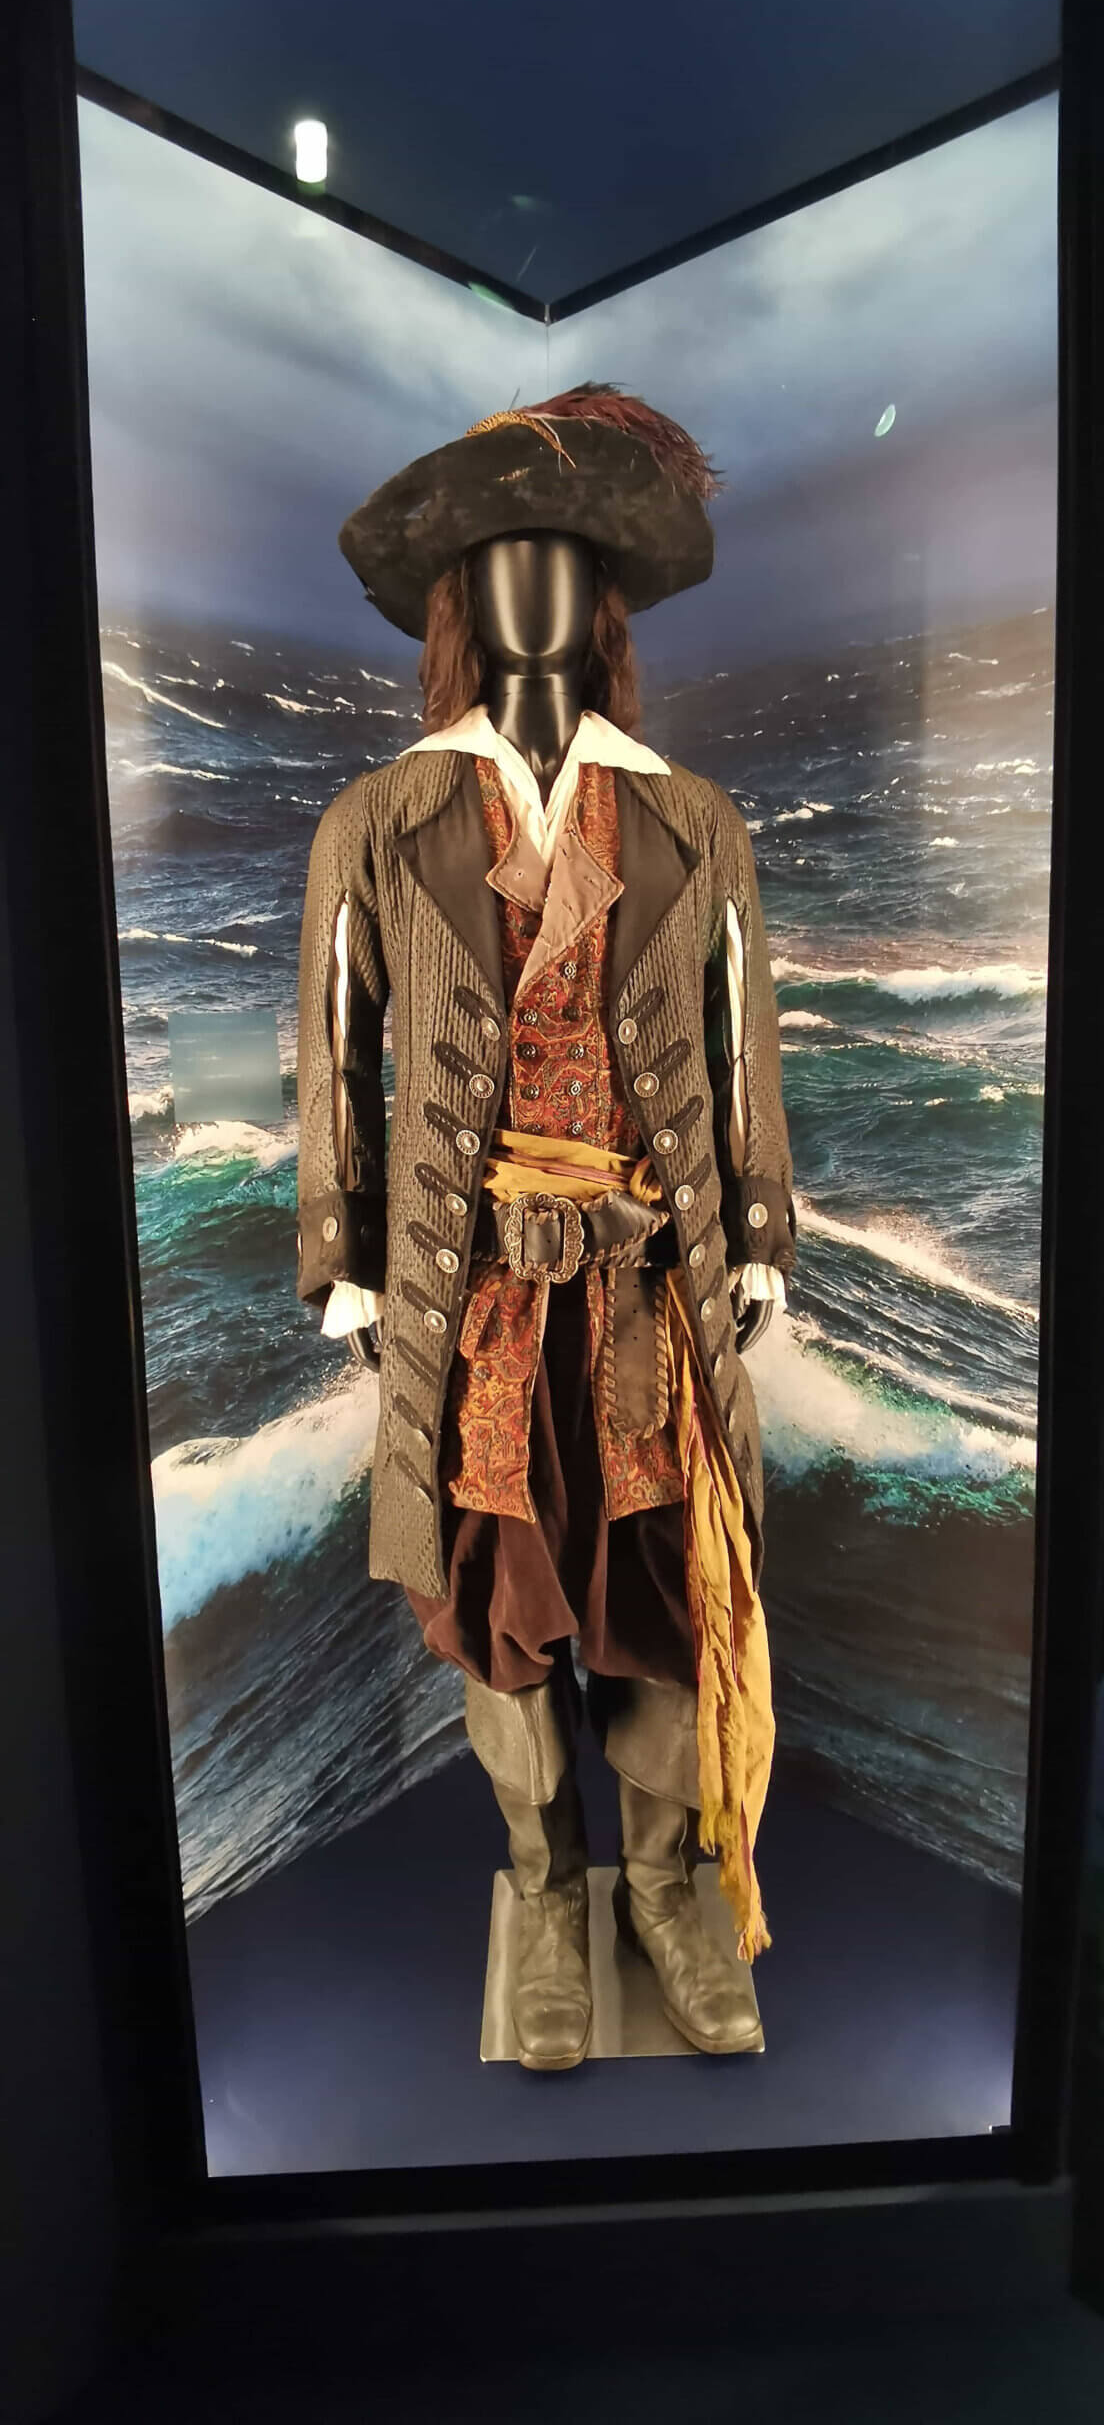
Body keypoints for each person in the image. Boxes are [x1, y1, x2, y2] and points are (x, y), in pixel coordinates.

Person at [296, 385, 795, 2069]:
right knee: (501, 1599)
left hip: (649, 1292)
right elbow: (336, 1058)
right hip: (475, 1299)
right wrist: (342, 1262)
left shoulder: (689, 818)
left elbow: (738, 1046)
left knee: (655, 1588)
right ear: (460, 601)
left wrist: (761, 1237)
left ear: (602, 603)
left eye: (563, 561)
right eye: (500, 561)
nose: (533, 590)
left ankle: (658, 1889)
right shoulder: (378, 818)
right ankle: (544, 1886)